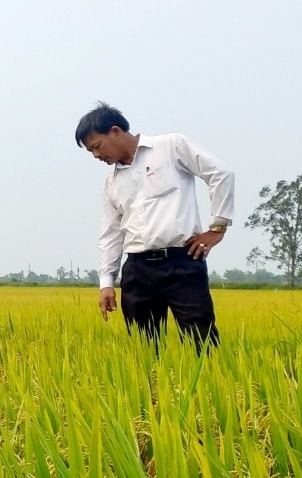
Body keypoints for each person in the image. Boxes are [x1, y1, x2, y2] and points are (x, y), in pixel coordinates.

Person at [75, 102, 235, 346]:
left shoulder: (171, 147)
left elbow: (220, 173)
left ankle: (207, 382)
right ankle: (152, 385)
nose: (96, 156)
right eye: (91, 152)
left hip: (182, 262)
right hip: (137, 270)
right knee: (144, 346)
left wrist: (218, 227)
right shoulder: (112, 183)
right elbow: (111, 235)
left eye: (97, 146)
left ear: (115, 131)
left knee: (201, 341)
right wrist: (106, 283)